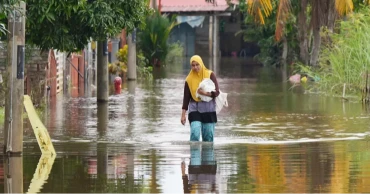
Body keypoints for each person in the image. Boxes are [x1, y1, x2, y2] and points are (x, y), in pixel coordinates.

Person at [181, 55, 220, 142]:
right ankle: (194, 155)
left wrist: (204, 93)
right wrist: (183, 114)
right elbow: (186, 98)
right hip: (194, 108)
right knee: (195, 134)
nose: (195, 67)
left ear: (201, 64)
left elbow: (217, 92)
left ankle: (208, 155)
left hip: (208, 109)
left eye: (197, 64)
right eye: (193, 65)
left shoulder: (210, 75)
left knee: (208, 138)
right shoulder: (188, 79)